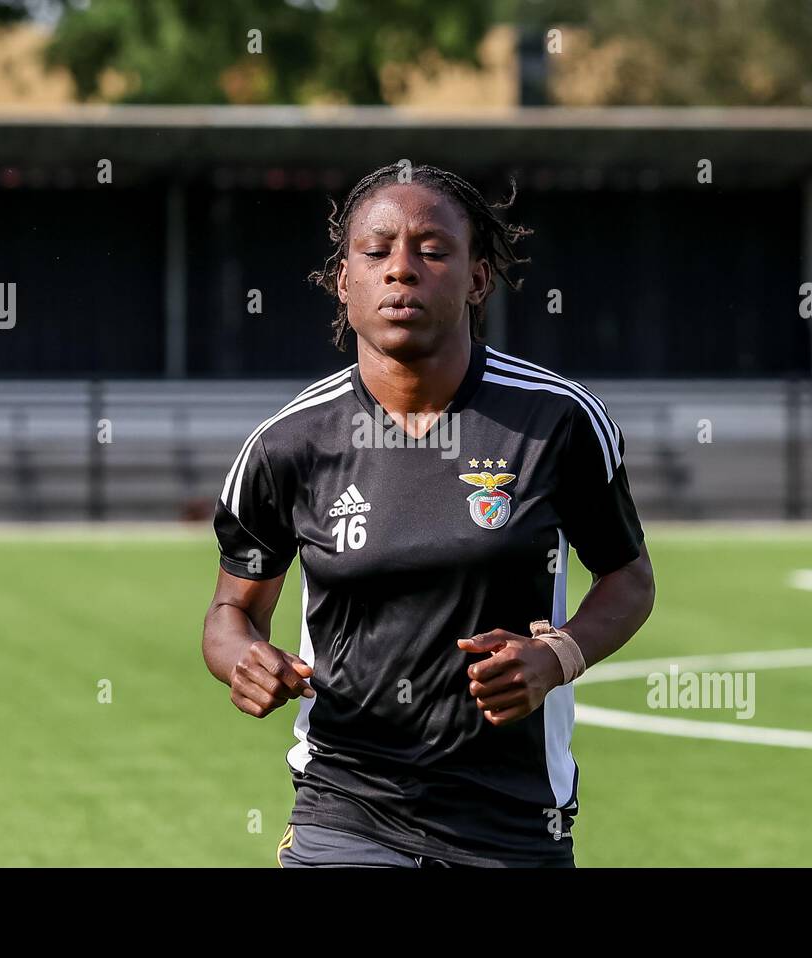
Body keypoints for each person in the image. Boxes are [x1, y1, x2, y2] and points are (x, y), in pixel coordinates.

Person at [202, 163, 655, 868]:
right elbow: (231, 611)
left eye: (433, 250)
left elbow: (628, 579)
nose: (401, 271)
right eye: (376, 251)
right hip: (344, 809)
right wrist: (243, 661)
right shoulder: (287, 443)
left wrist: (556, 656)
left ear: (477, 279)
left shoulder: (557, 421)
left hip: (513, 822)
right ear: (344, 280)